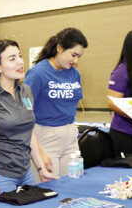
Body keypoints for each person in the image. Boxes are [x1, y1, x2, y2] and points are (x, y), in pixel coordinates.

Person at [0, 40, 58, 199]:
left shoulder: (26, 91)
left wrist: (41, 169)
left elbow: (29, 134)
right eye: (12, 59)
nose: (20, 62)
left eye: (20, 56)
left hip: (24, 172)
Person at [24, 27, 88, 181]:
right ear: (59, 48)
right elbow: (24, 111)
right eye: (73, 55)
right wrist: (39, 151)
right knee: (48, 188)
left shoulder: (74, 74)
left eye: (79, 56)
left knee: (73, 183)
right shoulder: (38, 73)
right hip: (45, 136)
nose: (76, 61)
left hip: (70, 135)